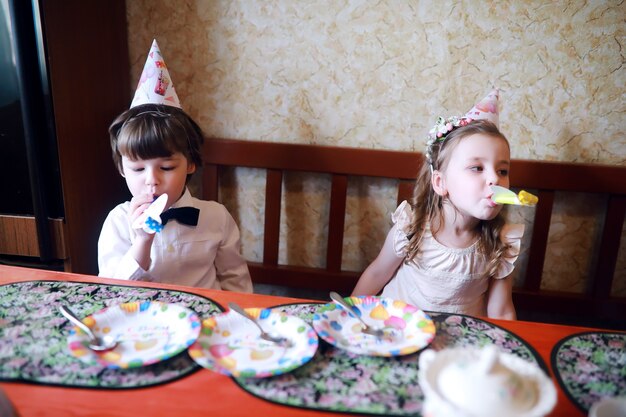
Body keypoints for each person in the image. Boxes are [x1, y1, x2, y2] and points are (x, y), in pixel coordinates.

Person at [352, 90, 523, 319]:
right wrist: (347, 314)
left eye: (503, 171)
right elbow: (377, 274)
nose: (495, 179)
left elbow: (500, 310)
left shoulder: (500, 242)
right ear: (441, 182)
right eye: (477, 168)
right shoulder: (411, 229)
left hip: (458, 341)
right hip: (398, 330)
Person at [98, 40, 252, 292]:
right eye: (138, 169)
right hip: (142, 324)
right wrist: (142, 241)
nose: (151, 180)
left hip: (207, 323)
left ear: (190, 164)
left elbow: (236, 281)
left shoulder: (216, 218)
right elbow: (111, 290)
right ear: (122, 169)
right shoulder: (117, 223)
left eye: (166, 167)